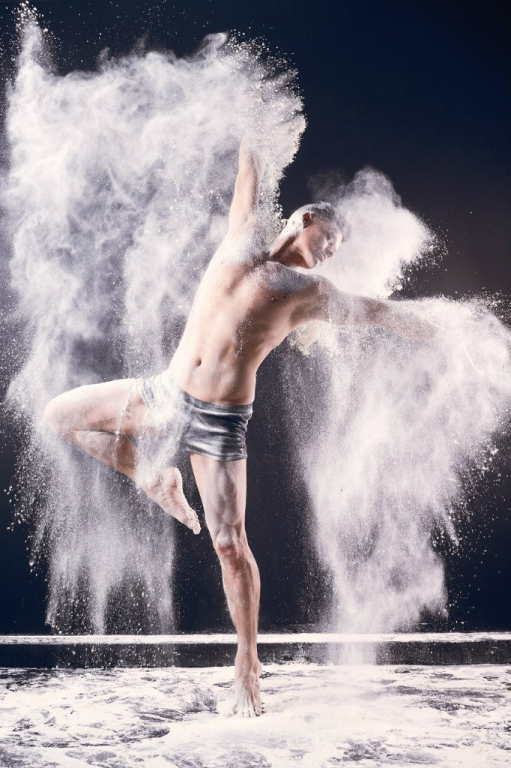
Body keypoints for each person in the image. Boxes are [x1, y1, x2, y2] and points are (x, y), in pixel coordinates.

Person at [43, 136, 436, 717]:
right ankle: (153, 478)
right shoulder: (241, 238)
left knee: (229, 543)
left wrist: (440, 329)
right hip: (164, 394)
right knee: (59, 415)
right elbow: (248, 172)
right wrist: (254, 120)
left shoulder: (311, 293)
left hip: (220, 425)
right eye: (330, 240)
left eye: (337, 250)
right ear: (305, 221)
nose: (332, 252)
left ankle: (247, 665)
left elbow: (377, 313)